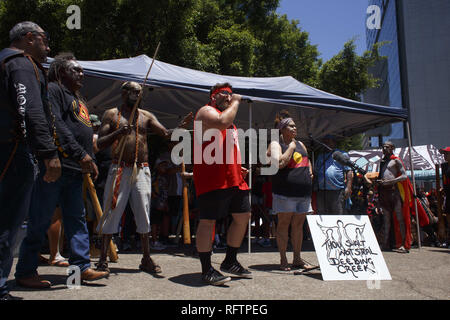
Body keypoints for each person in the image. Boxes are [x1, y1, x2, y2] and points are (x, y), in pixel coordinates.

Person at [15, 53, 109, 288]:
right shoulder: (54, 90)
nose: (81, 73)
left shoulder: (77, 97)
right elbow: (55, 124)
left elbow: (83, 132)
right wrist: (81, 154)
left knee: (76, 220)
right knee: (41, 219)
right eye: (75, 70)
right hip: (55, 168)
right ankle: (26, 271)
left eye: (81, 70)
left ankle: (81, 268)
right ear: (60, 72)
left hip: (75, 171)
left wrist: (90, 158)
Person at [95, 81, 192, 274]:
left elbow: (164, 133)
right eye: (134, 93)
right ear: (124, 94)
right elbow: (100, 143)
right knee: (112, 211)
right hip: (120, 168)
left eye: (140, 93)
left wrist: (179, 128)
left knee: (144, 213)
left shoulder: (146, 116)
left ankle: (146, 258)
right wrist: (118, 133)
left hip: (142, 170)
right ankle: (103, 259)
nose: (138, 96)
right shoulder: (112, 114)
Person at [0, 22, 62, 299]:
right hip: (12, 151)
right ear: (29, 38)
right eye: (44, 40)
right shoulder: (22, 64)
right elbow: (30, 110)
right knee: (8, 221)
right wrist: (48, 153)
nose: (48, 47)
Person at [193, 82, 252, 286]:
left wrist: (238, 166)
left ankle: (230, 260)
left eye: (231, 94)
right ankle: (206, 269)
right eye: (225, 94)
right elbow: (221, 122)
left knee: (243, 216)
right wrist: (236, 101)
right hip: (212, 176)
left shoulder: (232, 123)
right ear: (213, 96)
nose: (229, 97)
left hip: (233, 176)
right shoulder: (206, 111)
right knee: (208, 221)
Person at [267, 110, 316, 271]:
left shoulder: (301, 144)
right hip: (285, 193)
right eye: (291, 126)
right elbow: (279, 164)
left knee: (298, 226)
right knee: (283, 225)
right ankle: (283, 259)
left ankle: (297, 258)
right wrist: (291, 147)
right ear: (282, 129)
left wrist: (309, 170)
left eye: (295, 126)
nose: (295, 129)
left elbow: (306, 160)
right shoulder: (275, 144)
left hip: (303, 193)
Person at [374, 141, 409, 253]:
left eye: (387, 147)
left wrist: (391, 181)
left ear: (392, 148)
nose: (384, 148)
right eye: (383, 147)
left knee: (399, 218)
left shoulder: (396, 160)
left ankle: (403, 244)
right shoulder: (383, 161)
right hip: (384, 193)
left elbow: (404, 176)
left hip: (394, 192)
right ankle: (385, 244)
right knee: (386, 219)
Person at [314, 135, 353, 214]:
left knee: (337, 214)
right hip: (322, 191)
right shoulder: (320, 156)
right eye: (325, 141)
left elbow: (349, 171)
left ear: (334, 142)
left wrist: (348, 187)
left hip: (337, 191)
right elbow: (316, 172)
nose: (326, 143)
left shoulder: (341, 154)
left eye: (328, 141)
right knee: (323, 213)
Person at [439, 147, 450, 247]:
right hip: (448, 196)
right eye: (444, 154)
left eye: (447, 154)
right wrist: (444, 188)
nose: (444, 156)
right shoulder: (446, 167)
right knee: (448, 217)